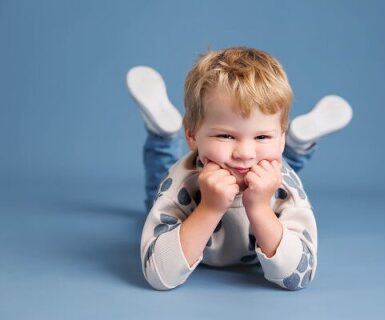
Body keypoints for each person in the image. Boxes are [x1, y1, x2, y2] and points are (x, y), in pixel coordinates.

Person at [126, 47, 352, 291]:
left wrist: (260, 208)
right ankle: (164, 137)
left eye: (263, 136)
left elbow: (299, 276)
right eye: (225, 135)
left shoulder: (287, 188)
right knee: (155, 195)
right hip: (191, 184)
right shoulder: (179, 186)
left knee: (279, 164)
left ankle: (296, 144)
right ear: (191, 134)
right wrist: (209, 208)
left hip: (275, 170)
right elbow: (158, 274)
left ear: (280, 138)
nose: (244, 153)